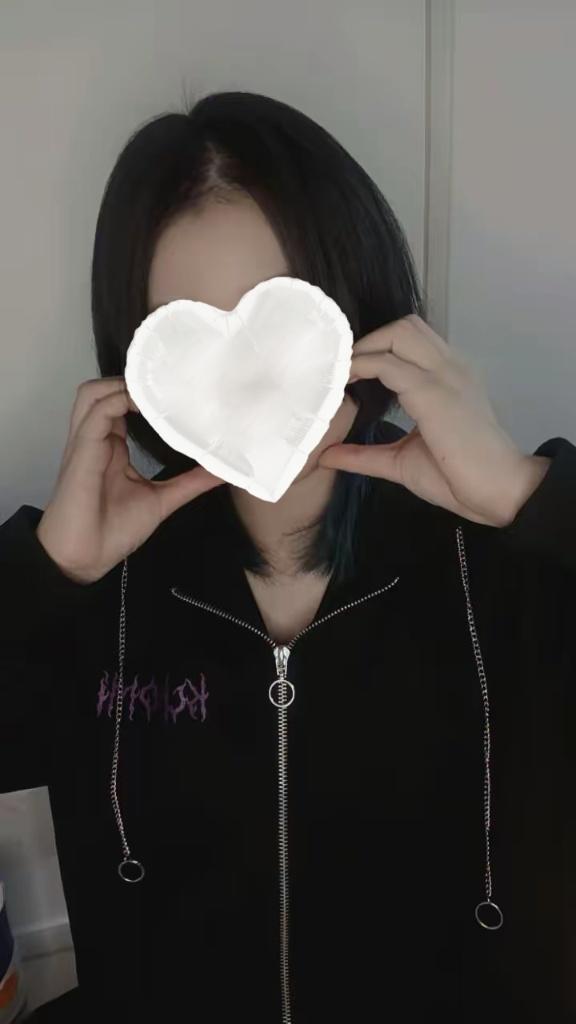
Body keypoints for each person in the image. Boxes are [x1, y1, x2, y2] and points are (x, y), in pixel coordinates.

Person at [1, 90, 575, 1022]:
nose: (252, 391)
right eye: (194, 338)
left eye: (283, 324)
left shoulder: (514, 574)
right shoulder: (89, 592)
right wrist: (44, 575)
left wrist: (529, 499)